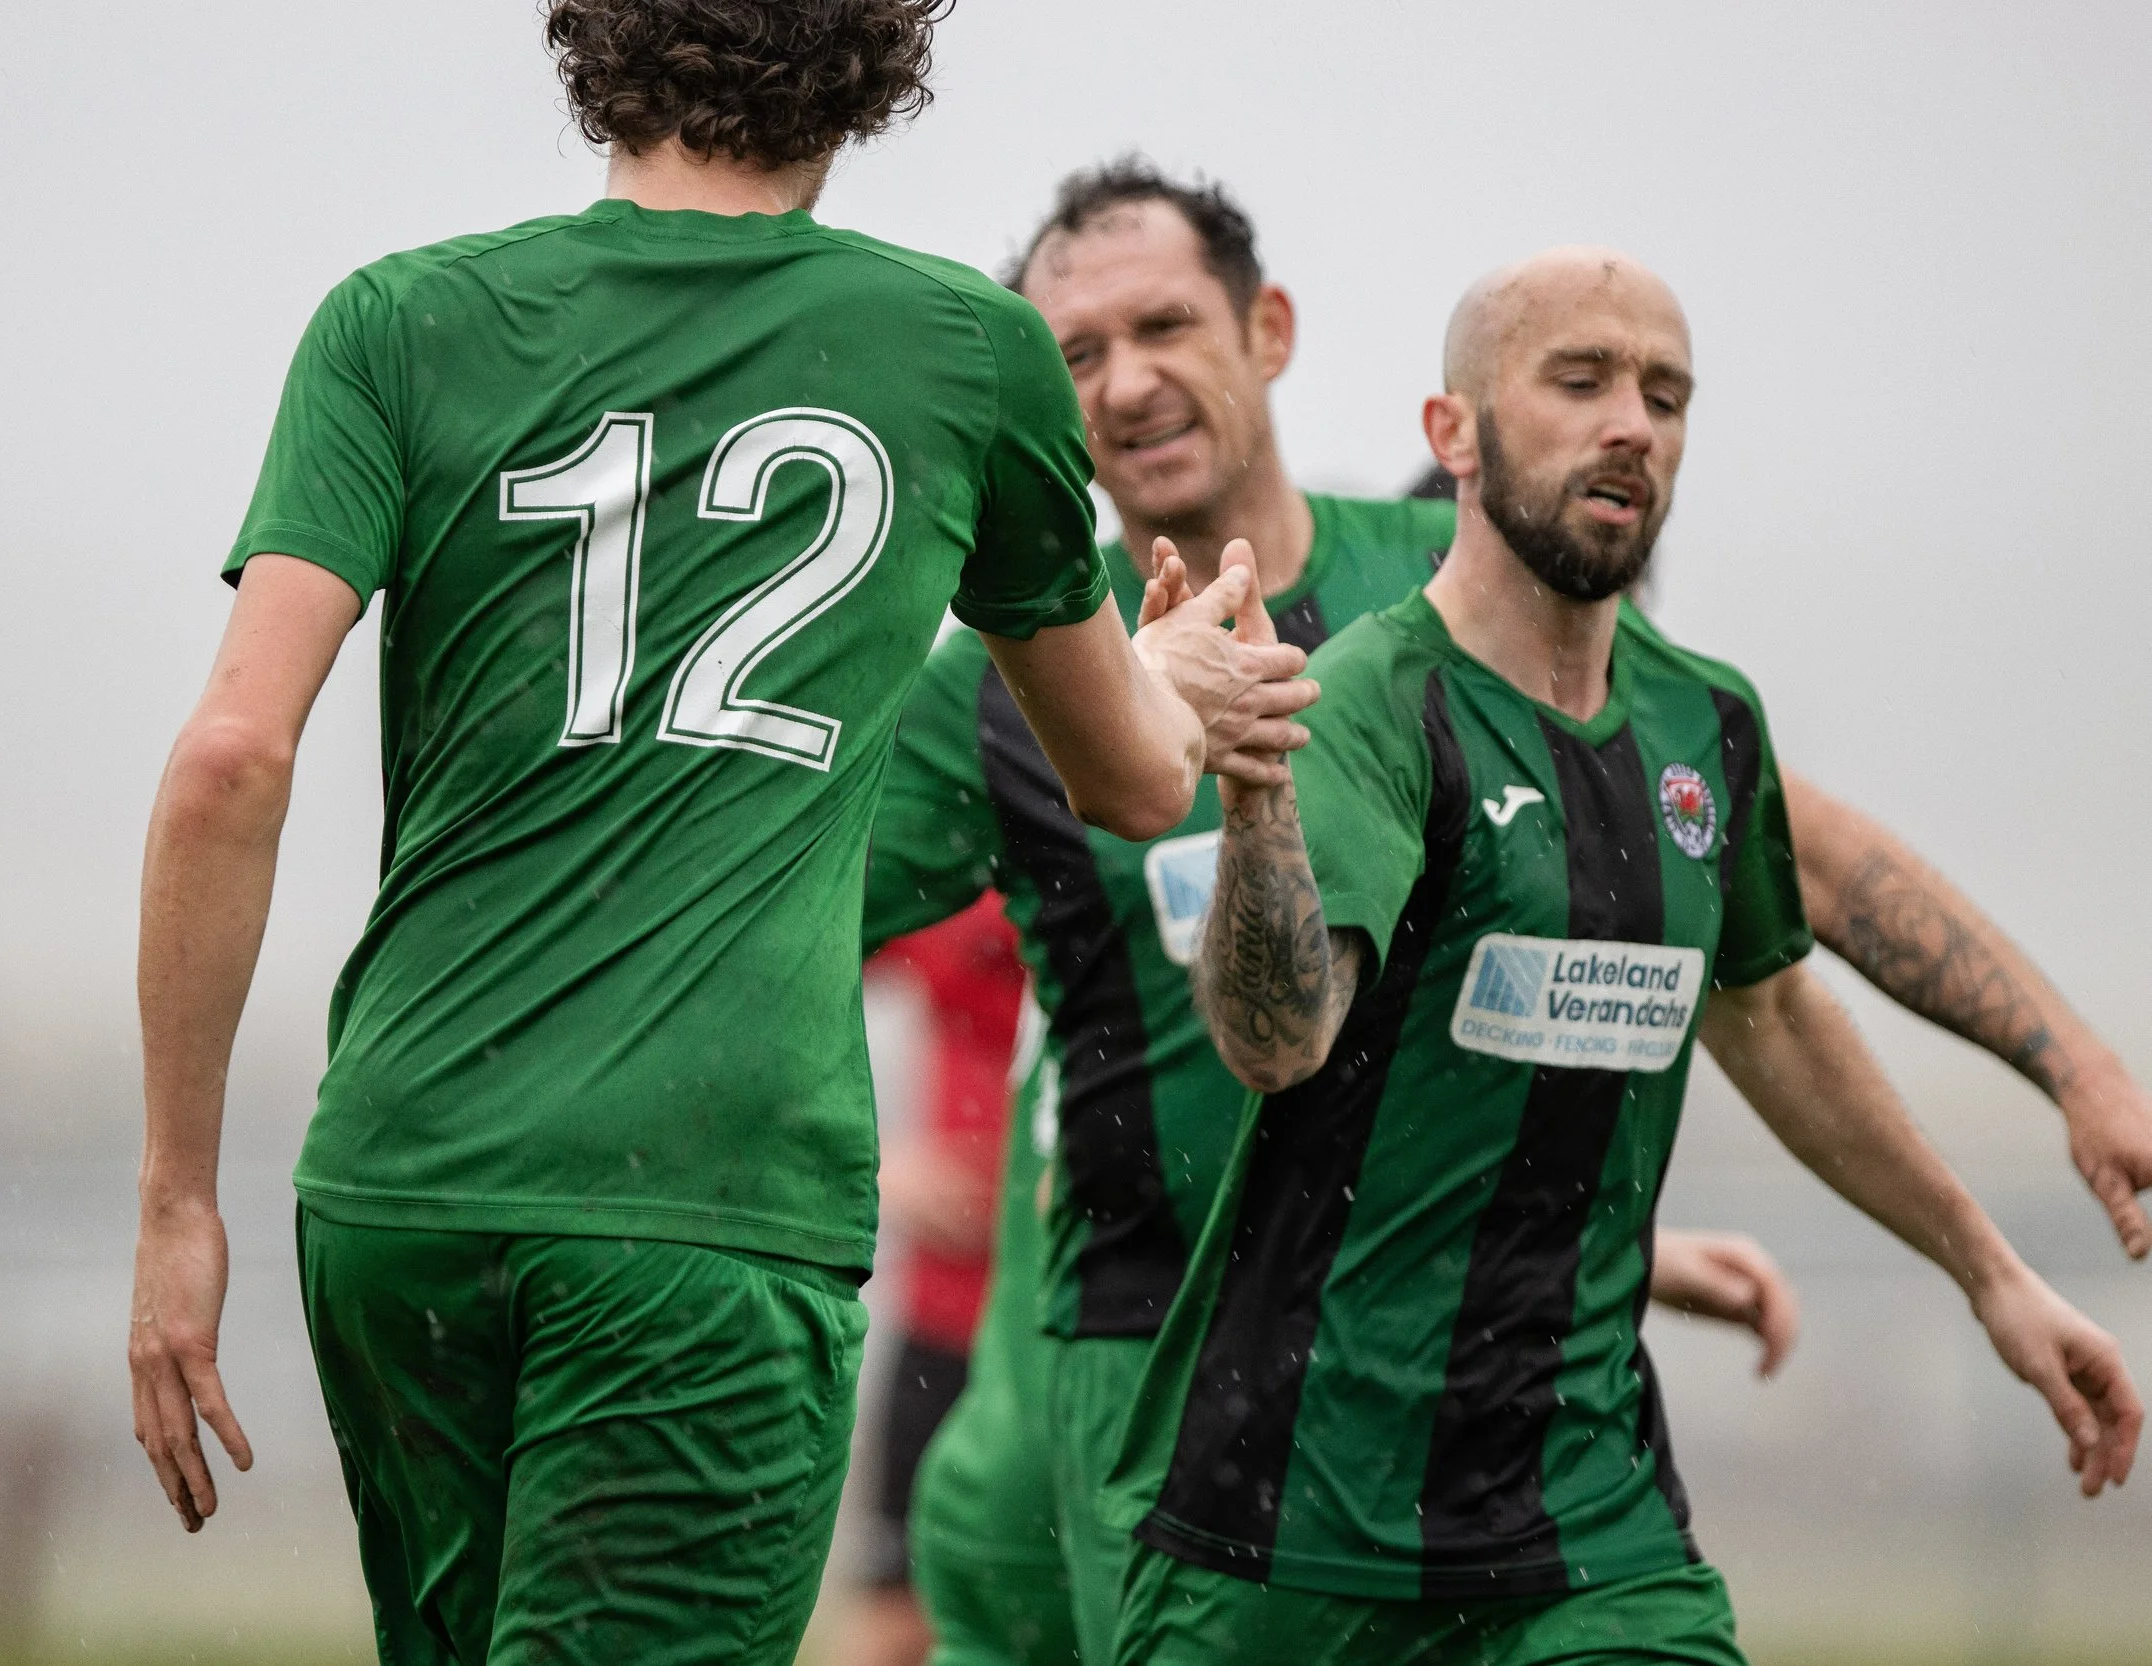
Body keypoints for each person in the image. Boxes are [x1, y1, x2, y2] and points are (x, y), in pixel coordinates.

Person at [120, 6, 1320, 1659]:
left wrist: (177, 1197)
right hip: (706, 1199)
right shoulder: (965, 347)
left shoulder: (396, 320)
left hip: (399, 1182)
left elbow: (229, 758)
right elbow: (1131, 777)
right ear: (875, 59)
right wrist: (1172, 672)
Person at [886, 159, 2152, 1666]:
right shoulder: (1012, 680)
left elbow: (1760, 859)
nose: (1128, 380)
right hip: (1157, 1366)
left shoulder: (1459, 582)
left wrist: (2071, 1066)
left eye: (1164, 326)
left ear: (1267, 331)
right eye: (1078, 353)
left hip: (1474, 1369)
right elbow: (783, 884)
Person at [850, 893, 1027, 1666]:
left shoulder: (1169, 868)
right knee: (900, 1617)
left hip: (1090, 1327)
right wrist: (870, 1165)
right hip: (949, 1320)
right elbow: (763, 979)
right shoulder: (966, 880)